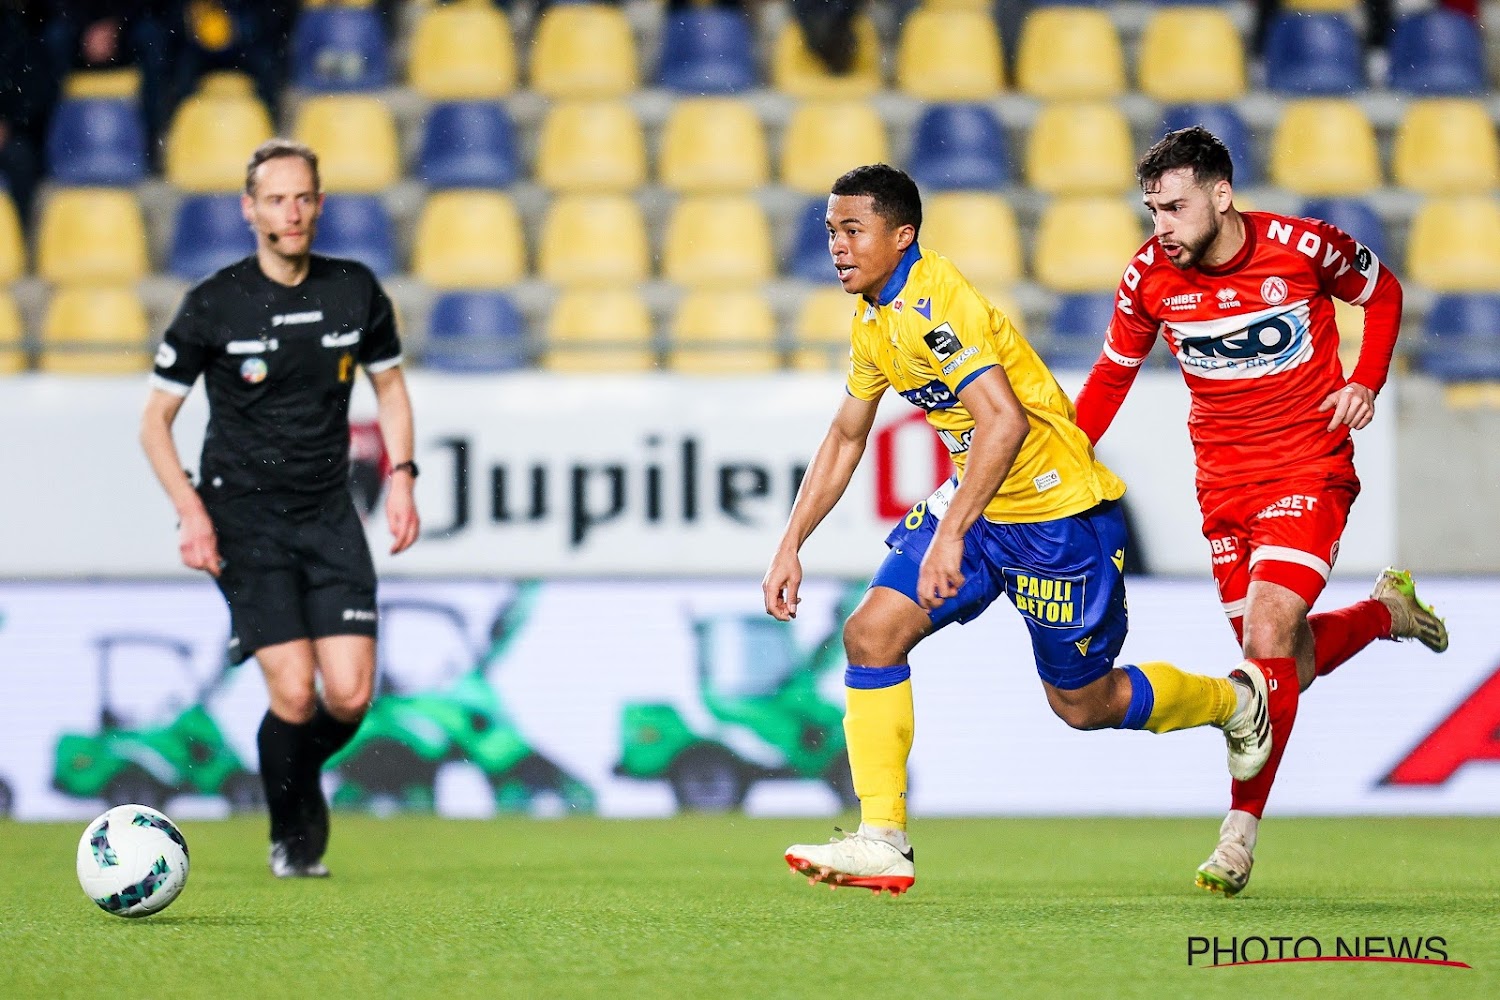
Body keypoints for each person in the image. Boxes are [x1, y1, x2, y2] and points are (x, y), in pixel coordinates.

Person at [767, 164, 1283, 896]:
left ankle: (1234, 701)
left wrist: (950, 534)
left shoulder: (934, 306)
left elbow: (1003, 422)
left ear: (901, 234)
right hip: (981, 506)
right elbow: (848, 434)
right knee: (870, 634)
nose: (838, 247)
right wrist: (791, 544)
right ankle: (883, 838)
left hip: (1056, 517)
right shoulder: (874, 317)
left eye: (853, 230)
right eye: (831, 232)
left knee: (1084, 703)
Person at [1072, 127, 1448, 897]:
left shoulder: (1304, 248)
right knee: (1283, 666)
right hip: (1222, 488)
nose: (1162, 228)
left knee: (1268, 635)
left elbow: (1384, 294)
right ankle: (1386, 614)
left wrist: (1366, 381)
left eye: (1175, 208)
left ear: (1221, 195)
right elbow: (1111, 378)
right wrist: (1062, 459)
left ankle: (1237, 837)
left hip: (1309, 467)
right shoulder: (1147, 277)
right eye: (1151, 211)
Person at [139, 138, 420, 878]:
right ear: (249, 209)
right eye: (275, 199)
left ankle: (295, 777)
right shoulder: (213, 303)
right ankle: (293, 831)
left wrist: (402, 478)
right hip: (244, 518)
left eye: (302, 199)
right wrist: (192, 513)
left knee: (351, 696)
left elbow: (389, 388)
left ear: (319, 205)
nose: (290, 213)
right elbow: (153, 423)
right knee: (294, 691)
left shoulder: (355, 290)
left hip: (329, 514)